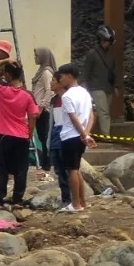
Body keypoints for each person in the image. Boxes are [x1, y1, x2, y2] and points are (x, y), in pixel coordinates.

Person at [0, 60, 41, 208]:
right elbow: (33, 116)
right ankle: (17, 198)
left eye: (6, 74)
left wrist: (5, 60)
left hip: (3, 135)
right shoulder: (28, 95)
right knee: (21, 169)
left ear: (9, 75)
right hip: (22, 136)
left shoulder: (2, 89)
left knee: (1, 168)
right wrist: (29, 134)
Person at [52, 63, 95, 212]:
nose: (60, 79)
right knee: (76, 169)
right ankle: (82, 202)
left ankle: (76, 203)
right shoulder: (84, 92)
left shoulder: (68, 96)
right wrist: (86, 134)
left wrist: (83, 134)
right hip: (80, 137)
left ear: (69, 76)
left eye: (62, 76)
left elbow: (73, 118)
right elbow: (91, 115)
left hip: (70, 136)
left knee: (72, 170)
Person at [81, 26, 121, 124]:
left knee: (102, 113)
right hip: (96, 86)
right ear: (100, 40)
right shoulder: (92, 53)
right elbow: (86, 70)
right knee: (104, 113)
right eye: (105, 41)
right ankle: (106, 136)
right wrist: (84, 85)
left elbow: (114, 70)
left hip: (108, 87)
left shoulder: (111, 54)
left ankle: (96, 133)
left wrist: (116, 86)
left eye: (109, 42)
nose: (107, 43)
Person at [30, 47, 58, 180]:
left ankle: (47, 164)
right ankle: (45, 163)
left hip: (43, 111)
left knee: (45, 137)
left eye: (36, 56)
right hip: (37, 109)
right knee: (41, 138)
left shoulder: (46, 72)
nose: (35, 58)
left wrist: (41, 107)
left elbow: (50, 91)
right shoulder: (41, 71)